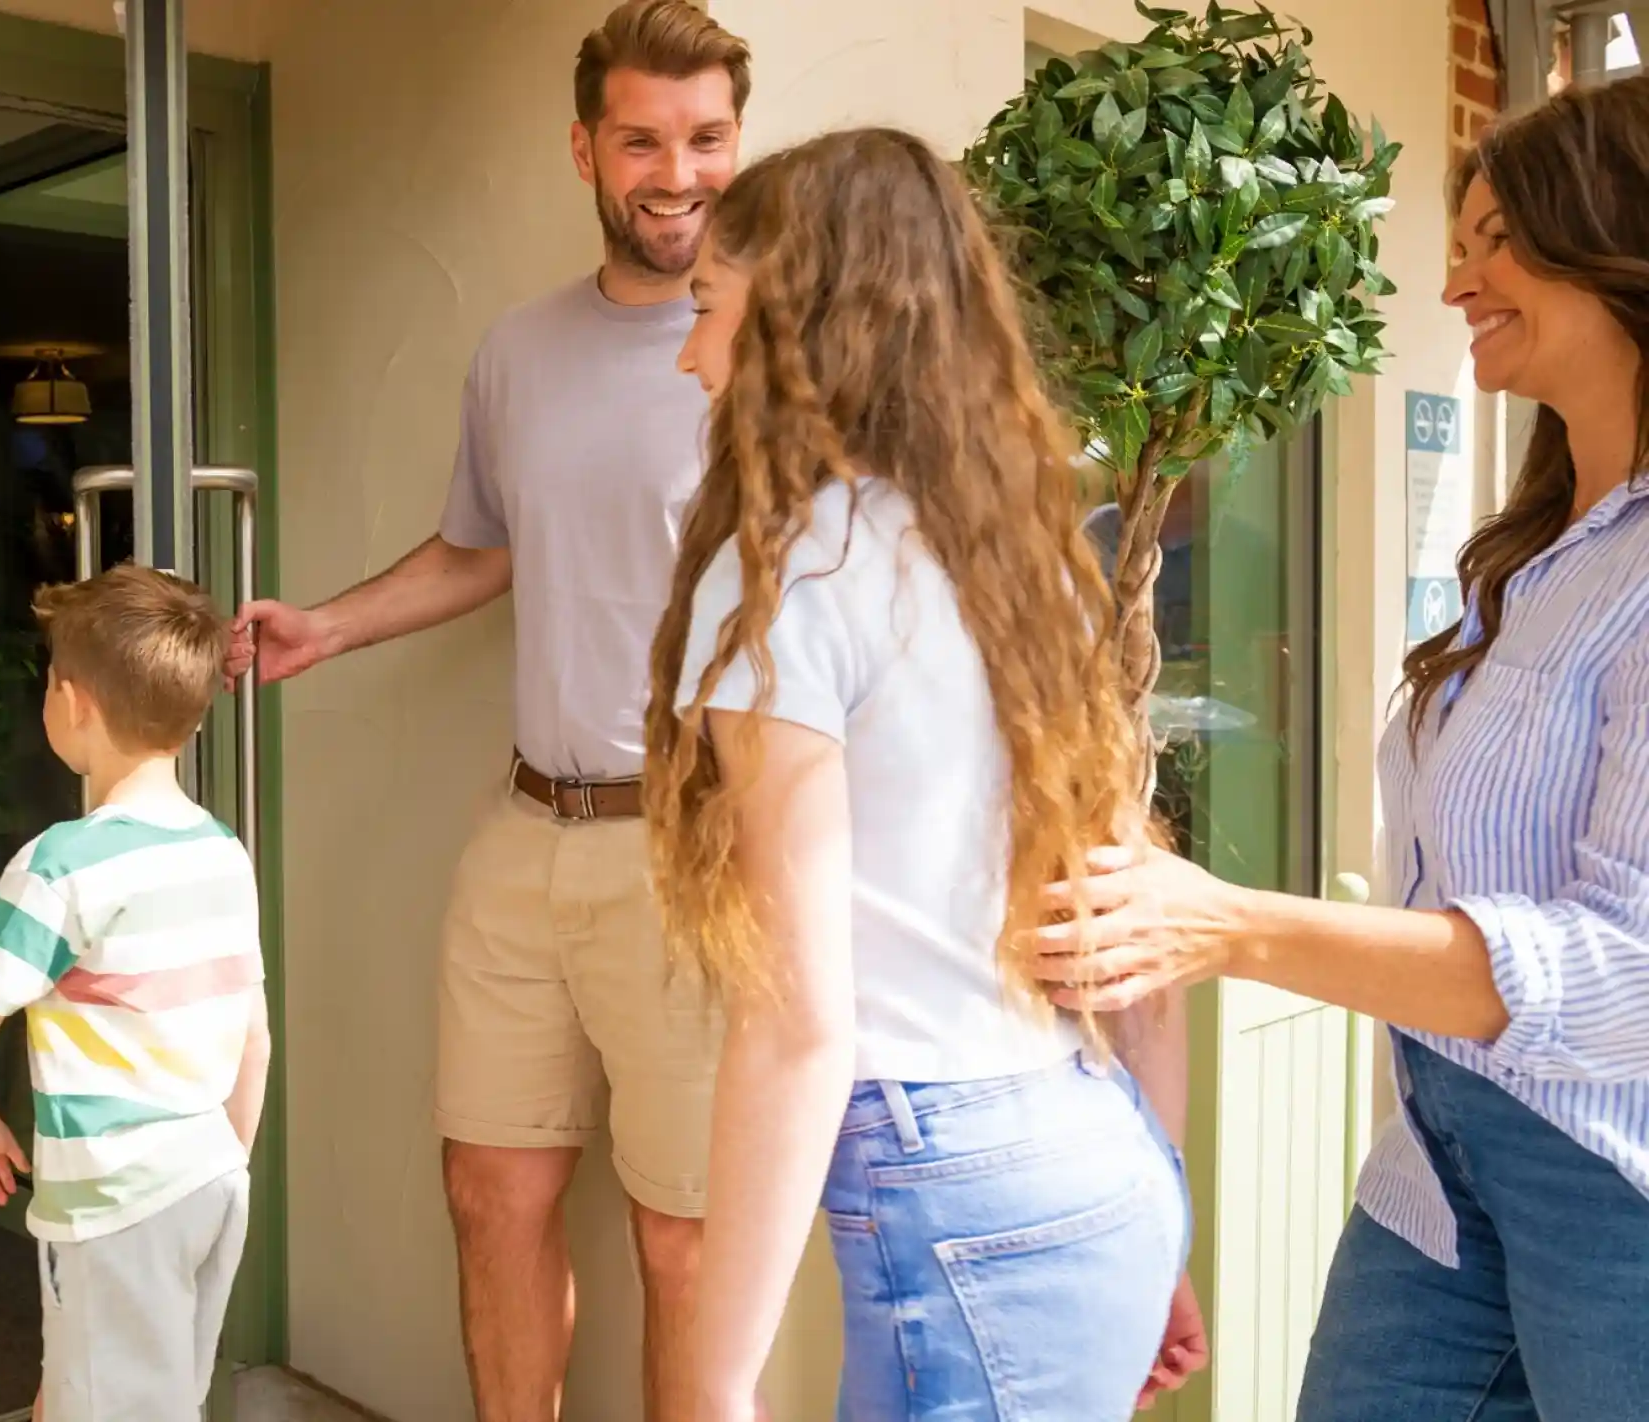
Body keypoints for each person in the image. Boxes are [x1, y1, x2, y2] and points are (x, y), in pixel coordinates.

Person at [1029, 75, 1649, 1421]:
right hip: (1437, 1159)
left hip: (1617, 1189)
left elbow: (1631, 971)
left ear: (1614, 247)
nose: (1454, 280)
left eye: (1495, 241)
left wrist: (1229, 926)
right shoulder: (1531, 557)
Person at [225, 4, 747, 1415]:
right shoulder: (518, 350)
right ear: (585, 145)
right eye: (642, 138)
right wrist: (328, 622)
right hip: (526, 829)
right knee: (487, 1190)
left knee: (688, 1239)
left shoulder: (777, 355)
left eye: (705, 138)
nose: (677, 172)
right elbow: (486, 545)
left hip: (693, 848)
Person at [646, 131, 1205, 1420]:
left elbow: (798, 1026)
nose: (691, 355)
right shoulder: (1033, 565)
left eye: (706, 310)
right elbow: (1138, 962)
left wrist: (712, 1382)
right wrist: (1156, 1219)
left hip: (954, 1184)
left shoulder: (790, 576)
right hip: (1092, 1143)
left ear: (796, 318)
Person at [0, 564, 272, 1422]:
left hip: (117, 1202)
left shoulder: (59, 867)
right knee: (139, 1395)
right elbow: (253, 1039)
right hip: (210, 1179)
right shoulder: (221, 850)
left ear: (72, 702)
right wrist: (224, 1159)